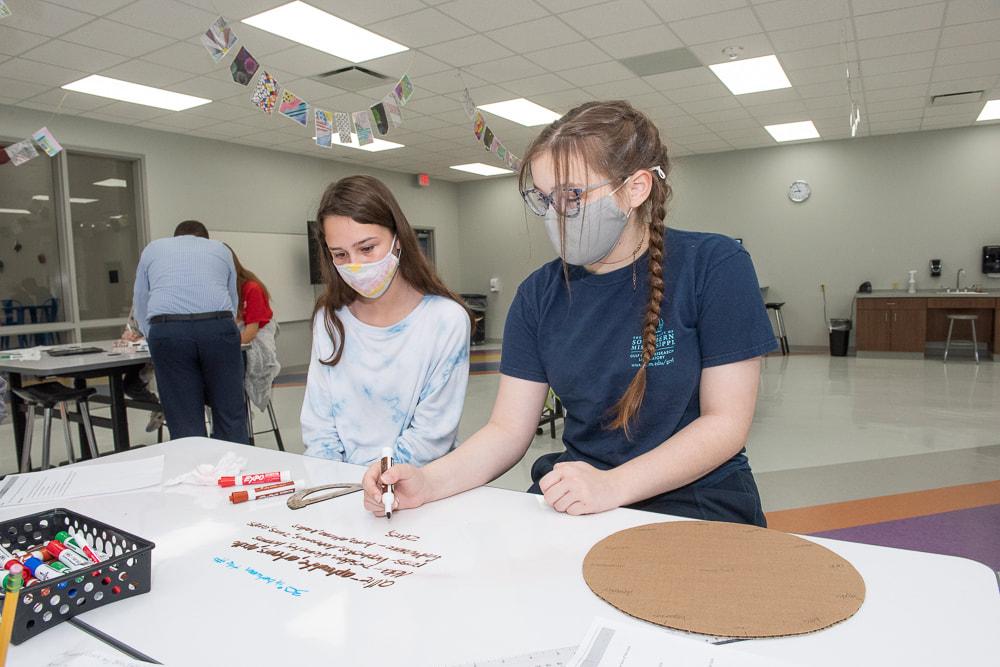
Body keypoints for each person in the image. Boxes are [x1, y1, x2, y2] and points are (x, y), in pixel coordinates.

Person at [362, 100, 777, 525]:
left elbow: (725, 424)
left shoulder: (713, 265)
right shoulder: (538, 295)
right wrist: (427, 482)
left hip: (696, 501)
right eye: (543, 199)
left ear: (635, 188)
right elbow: (507, 431)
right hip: (577, 494)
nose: (555, 215)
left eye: (572, 196)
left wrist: (613, 485)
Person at [301, 175, 471, 467]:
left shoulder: (445, 320)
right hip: (342, 487)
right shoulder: (329, 320)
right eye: (340, 254)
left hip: (417, 485)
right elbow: (319, 427)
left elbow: (432, 435)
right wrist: (330, 480)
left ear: (398, 240)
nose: (356, 264)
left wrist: (378, 479)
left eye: (367, 248)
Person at [133, 220, 247, 444]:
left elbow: (141, 300)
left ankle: (194, 472)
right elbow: (232, 298)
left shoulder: (153, 248)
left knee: (183, 414)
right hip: (217, 327)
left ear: (175, 238)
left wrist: (154, 337)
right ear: (205, 239)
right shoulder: (221, 249)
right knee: (230, 411)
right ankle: (235, 470)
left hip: (168, 330)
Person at [224, 244, 281, 413]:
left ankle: (232, 416)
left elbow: (250, 333)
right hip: (235, 340)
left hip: (255, 342)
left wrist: (223, 346)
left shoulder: (251, 288)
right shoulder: (217, 290)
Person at [119, 307, 165, 433]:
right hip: (145, 353)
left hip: (170, 350)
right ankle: (158, 407)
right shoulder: (140, 299)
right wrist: (130, 336)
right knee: (130, 386)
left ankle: (165, 408)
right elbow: (131, 328)